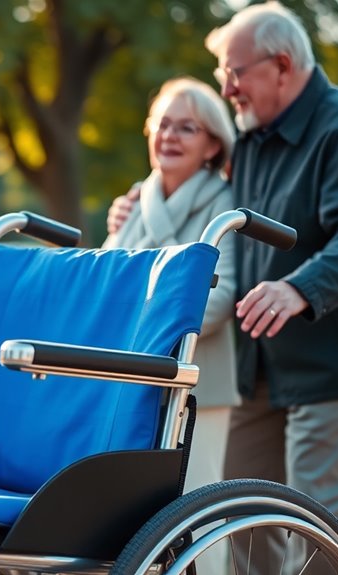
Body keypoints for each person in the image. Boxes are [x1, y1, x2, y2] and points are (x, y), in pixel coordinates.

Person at [107, 2, 338, 572]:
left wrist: (299, 288)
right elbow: (201, 186)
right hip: (264, 363)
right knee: (245, 514)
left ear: (281, 65)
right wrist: (138, 198)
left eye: (235, 72)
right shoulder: (254, 137)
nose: (227, 89)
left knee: (321, 518)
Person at [103, 76, 238, 575]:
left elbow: (221, 298)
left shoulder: (225, 207)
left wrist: (145, 330)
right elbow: (109, 285)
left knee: (203, 517)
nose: (170, 136)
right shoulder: (134, 202)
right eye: (163, 124)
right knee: (129, 520)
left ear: (212, 145)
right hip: (131, 380)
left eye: (187, 127)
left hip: (199, 382)